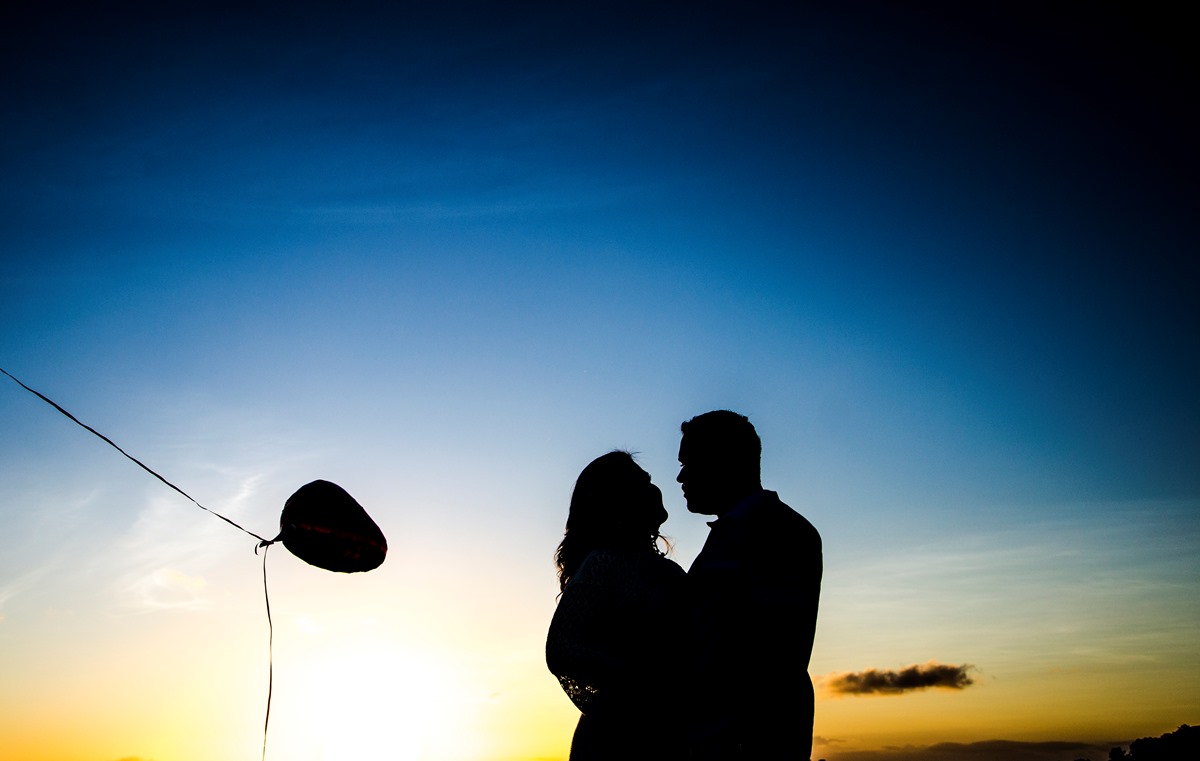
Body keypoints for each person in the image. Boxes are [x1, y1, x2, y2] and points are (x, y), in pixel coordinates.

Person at [678, 410, 822, 760]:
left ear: (724, 462)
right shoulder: (738, 531)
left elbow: (770, 659)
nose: (681, 477)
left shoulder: (779, 532)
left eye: (690, 462)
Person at [546, 450, 687, 760]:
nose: (653, 489)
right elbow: (561, 648)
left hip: (667, 735)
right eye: (642, 483)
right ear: (618, 500)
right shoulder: (605, 563)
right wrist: (638, 679)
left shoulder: (670, 572)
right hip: (616, 741)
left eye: (650, 480)